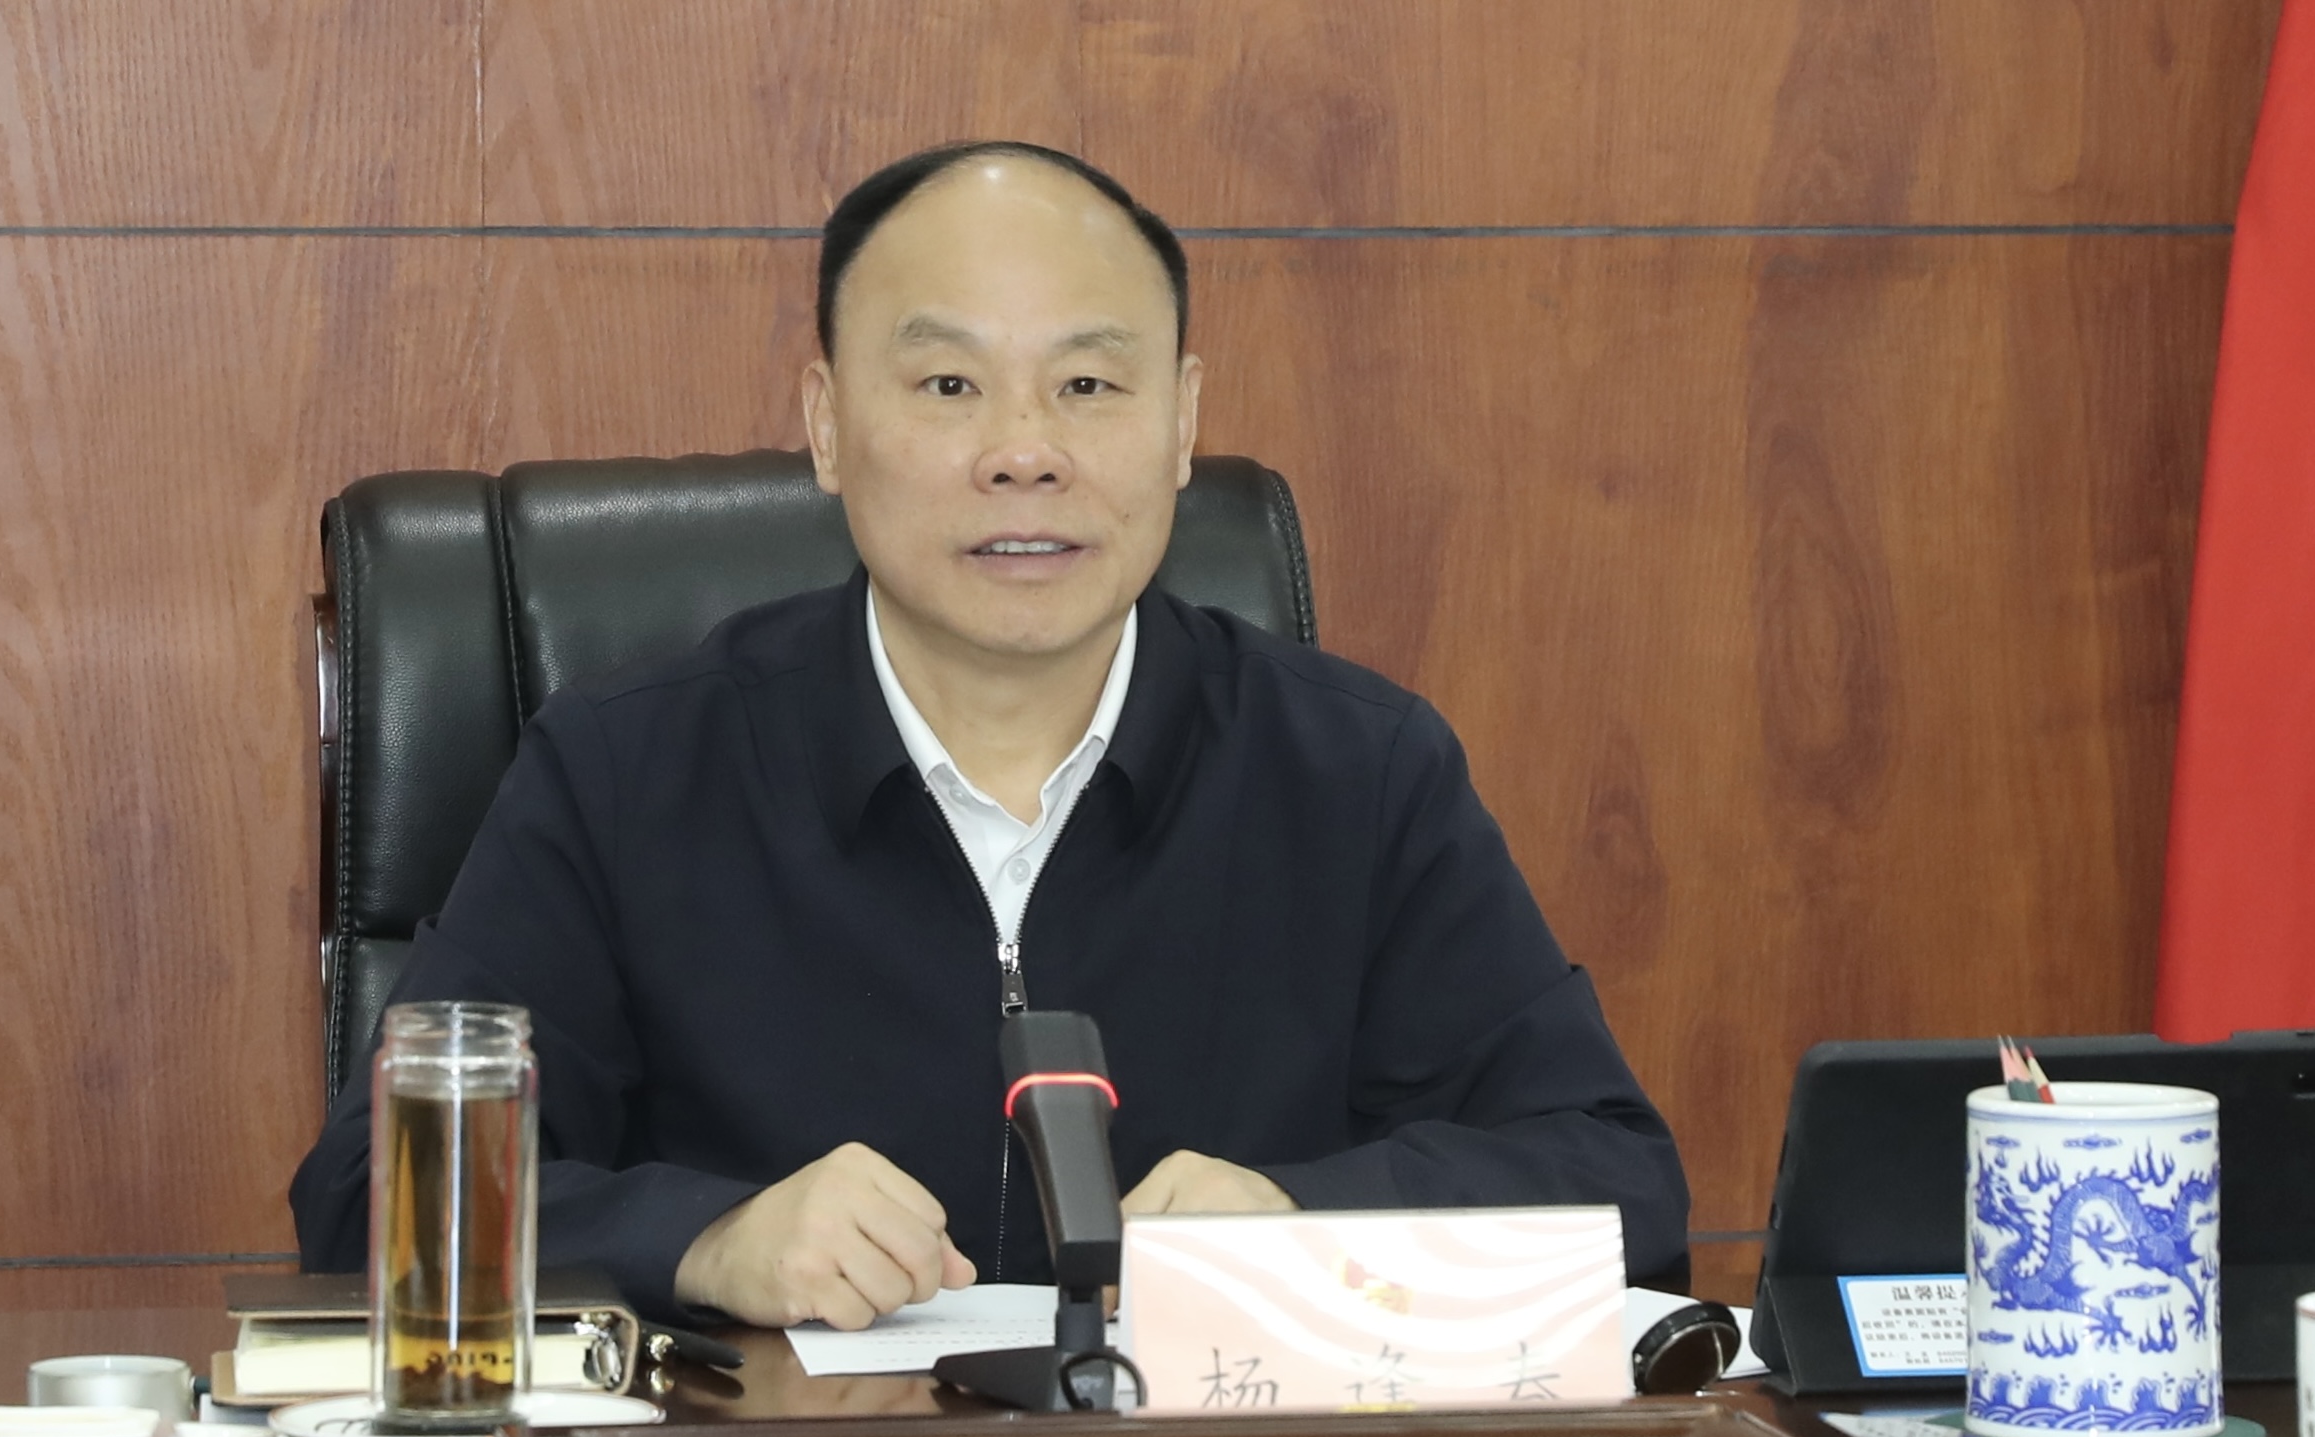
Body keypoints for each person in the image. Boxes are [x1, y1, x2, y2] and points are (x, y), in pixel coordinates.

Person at [290, 141, 1689, 1329]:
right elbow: (375, 1202)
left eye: (1089, 386)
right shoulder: (629, 772)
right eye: (949, 386)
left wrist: (1298, 1219)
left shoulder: (1356, 774)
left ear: (1184, 423)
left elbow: (1623, 1191)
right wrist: (705, 1240)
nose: (1025, 451)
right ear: (827, 426)